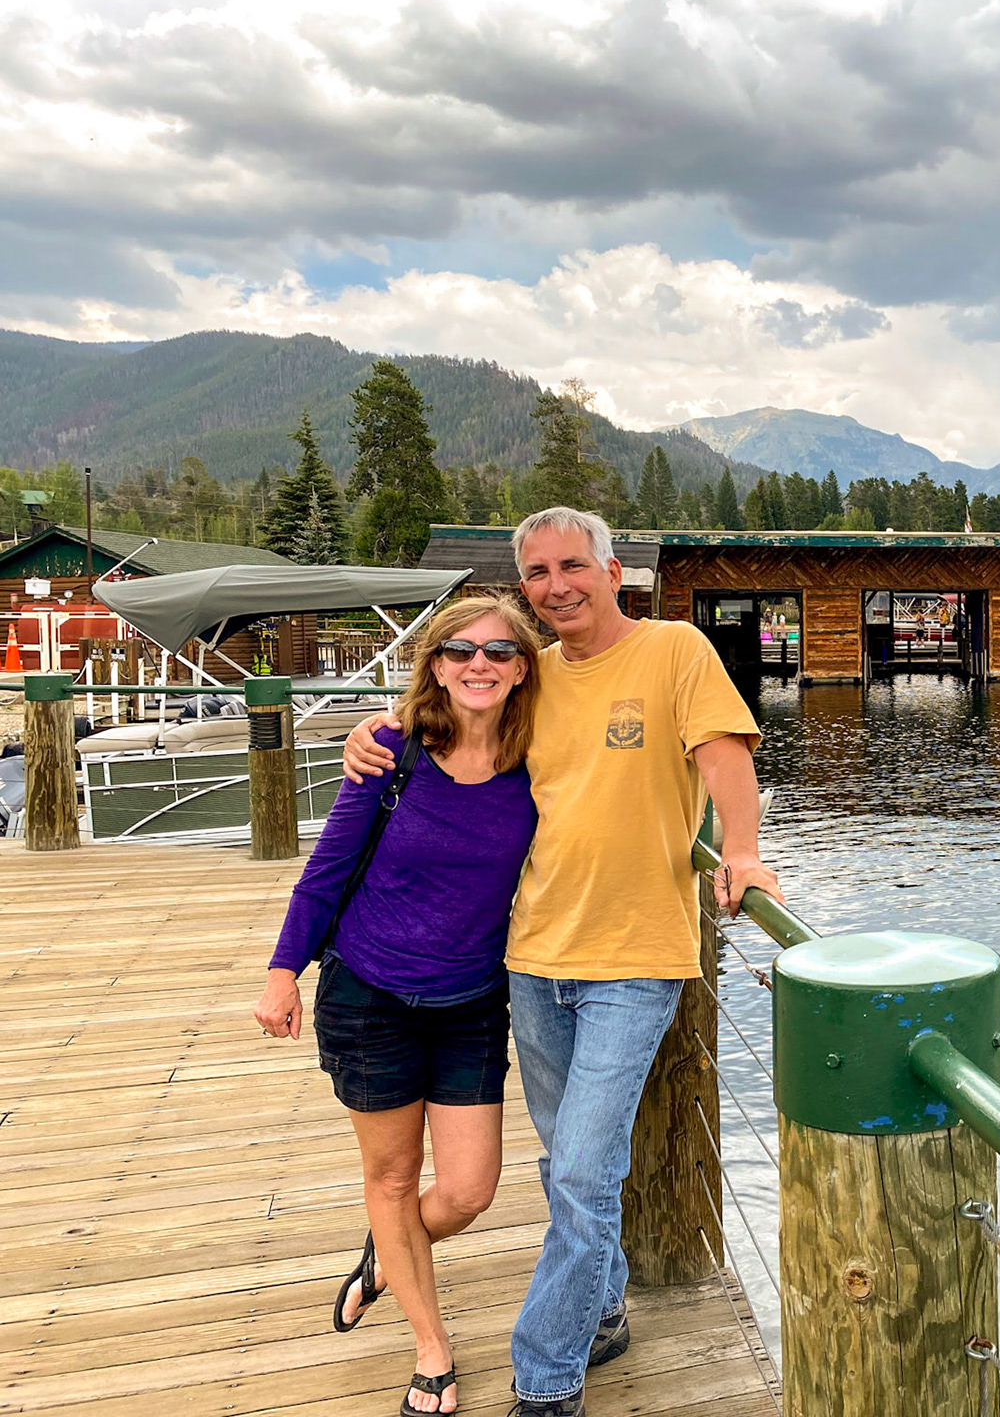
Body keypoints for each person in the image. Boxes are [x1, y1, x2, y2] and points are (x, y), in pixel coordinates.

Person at [342, 507, 783, 1417]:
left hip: (638, 958)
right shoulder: (530, 674)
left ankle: (547, 1378)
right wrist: (370, 729)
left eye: (574, 565)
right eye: (538, 573)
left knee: (584, 1170)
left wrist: (741, 851)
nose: (557, 586)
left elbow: (723, 755)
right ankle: (604, 1303)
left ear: (612, 571)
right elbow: (450, 718)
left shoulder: (674, 650)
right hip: (534, 958)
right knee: (568, 1161)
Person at [255, 594, 543, 1415]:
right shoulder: (392, 748)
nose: (479, 664)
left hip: (472, 1000)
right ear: (436, 666)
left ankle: (387, 1253)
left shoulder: (541, 758)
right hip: (369, 993)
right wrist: (283, 972)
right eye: (460, 651)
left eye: (499, 651)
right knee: (391, 1177)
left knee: (469, 1190)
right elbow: (327, 869)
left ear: (524, 668)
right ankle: (431, 1350)